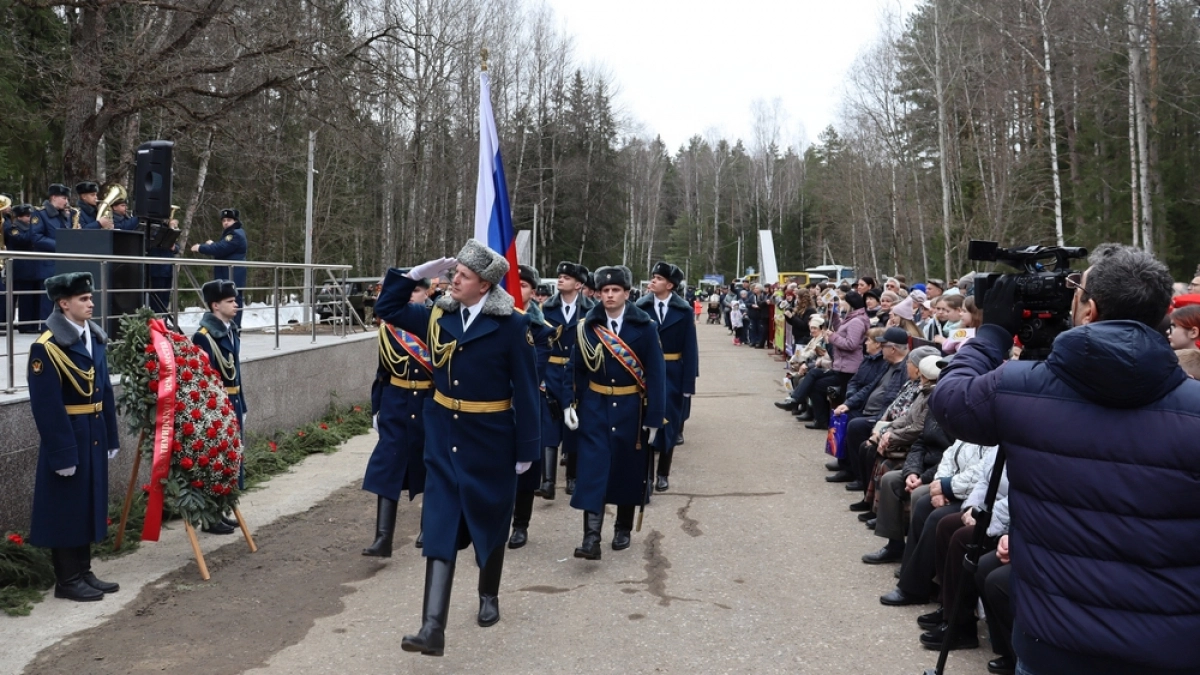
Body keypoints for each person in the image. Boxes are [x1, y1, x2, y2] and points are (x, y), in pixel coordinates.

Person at [931, 243, 1200, 675]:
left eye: (1074, 291)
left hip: (1054, 643)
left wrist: (993, 336)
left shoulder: (1019, 389)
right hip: (1172, 648)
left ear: (1089, 311)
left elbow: (949, 402)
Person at [373, 240, 539, 657]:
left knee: (490, 520)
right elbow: (388, 311)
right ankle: (432, 627)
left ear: (483, 285)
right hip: (444, 433)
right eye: (453, 274)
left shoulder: (513, 325)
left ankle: (488, 593)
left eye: (461, 277)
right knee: (441, 522)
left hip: (491, 437)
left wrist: (527, 447)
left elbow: (526, 390)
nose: (452, 281)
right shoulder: (437, 314)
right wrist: (412, 276)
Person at [26, 272, 120, 601]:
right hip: (69, 437)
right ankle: (67, 579)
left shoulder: (92, 336)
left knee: (87, 503)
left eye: (90, 298)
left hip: (93, 432)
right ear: (64, 304)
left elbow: (105, 391)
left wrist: (111, 435)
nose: (91, 303)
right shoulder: (46, 348)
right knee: (66, 507)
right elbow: (47, 407)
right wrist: (63, 453)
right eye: (83, 299)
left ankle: (83, 570)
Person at [571, 265, 666, 560]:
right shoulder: (587, 326)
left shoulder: (645, 327)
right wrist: (568, 404)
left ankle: (622, 527)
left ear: (627, 293)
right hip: (595, 407)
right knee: (592, 469)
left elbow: (656, 374)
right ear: (598, 294)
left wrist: (654, 419)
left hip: (631, 409)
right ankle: (591, 538)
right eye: (605, 291)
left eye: (616, 290)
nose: (610, 295)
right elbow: (574, 369)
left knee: (627, 468)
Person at [361, 277, 432, 557]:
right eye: (407, 291)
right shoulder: (389, 327)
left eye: (416, 290)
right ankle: (383, 537)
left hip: (428, 401)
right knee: (387, 465)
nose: (411, 295)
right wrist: (377, 408)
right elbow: (383, 372)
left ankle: (429, 527)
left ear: (428, 291)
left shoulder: (434, 319)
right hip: (396, 401)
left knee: (430, 464)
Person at [635, 261, 698, 492]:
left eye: (658, 278)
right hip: (647, 372)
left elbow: (690, 349)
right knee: (647, 422)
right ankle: (647, 476)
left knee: (669, 424)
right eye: (653, 277)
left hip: (673, 372)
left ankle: (663, 472)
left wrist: (688, 383)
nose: (653, 281)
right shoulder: (640, 307)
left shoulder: (683, 311)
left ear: (670, 285)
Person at [192, 279, 247, 535]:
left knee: (232, 461)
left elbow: (236, 374)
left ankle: (222, 509)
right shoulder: (203, 337)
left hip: (233, 402)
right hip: (218, 407)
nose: (236, 304)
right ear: (215, 305)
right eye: (229, 301)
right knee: (216, 460)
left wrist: (242, 406)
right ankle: (210, 516)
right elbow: (206, 379)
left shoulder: (230, 330)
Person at [508, 264, 554, 549]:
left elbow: (533, 372)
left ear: (533, 293)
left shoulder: (540, 329)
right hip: (492, 406)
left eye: (522, 286)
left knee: (525, 469)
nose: (515, 290)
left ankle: (520, 525)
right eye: (511, 284)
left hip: (525, 404)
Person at [540, 261, 594, 498]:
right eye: (559, 276)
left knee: (574, 424)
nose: (560, 280)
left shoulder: (591, 310)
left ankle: (572, 477)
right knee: (549, 424)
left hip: (576, 374)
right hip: (551, 370)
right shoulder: (546, 308)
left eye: (567, 277)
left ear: (579, 283)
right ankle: (548, 480)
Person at [29, 184, 76, 328]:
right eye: (63, 198)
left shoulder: (65, 215)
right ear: (53, 198)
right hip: (48, 265)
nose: (66, 201)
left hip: (63, 264)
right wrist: (60, 245)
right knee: (47, 304)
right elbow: (36, 238)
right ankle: (46, 332)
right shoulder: (40, 214)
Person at [191, 208, 248, 327]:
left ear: (235, 221)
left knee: (232, 303)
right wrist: (213, 244)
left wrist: (200, 248)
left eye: (229, 220)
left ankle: (234, 330)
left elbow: (221, 249)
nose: (226, 223)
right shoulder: (232, 233)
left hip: (232, 275)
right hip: (229, 275)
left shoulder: (235, 234)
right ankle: (231, 329)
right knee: (229, 302)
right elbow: (224, 248)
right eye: (224, 220)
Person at [5, 204, 43, 333]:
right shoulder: (13, 228)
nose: (30, 218)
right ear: (19, 217)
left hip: (34, 267)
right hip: (22, 268)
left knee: (36, 297)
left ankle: (34, 324)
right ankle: (25, 325)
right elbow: (23, 239)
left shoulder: (29, 228)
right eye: (27, 216)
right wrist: (34, 229)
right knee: (25, 298)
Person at [147, 217, 180, 314]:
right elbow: (154, 243)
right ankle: (157, 321)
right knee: (157, 299)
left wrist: (174, 247)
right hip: (157, 268)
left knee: (165, 298)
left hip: (168, 268)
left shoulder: (169, 228)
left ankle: (164, 321)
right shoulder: (155, 227)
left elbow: (177, 247)